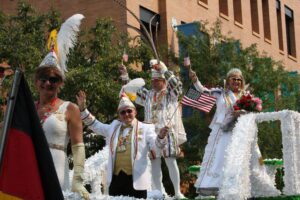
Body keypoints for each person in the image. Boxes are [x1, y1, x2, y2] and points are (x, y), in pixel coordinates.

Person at [189, 68, 278, 197]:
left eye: (239, 79)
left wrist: (242, 113)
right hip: (224, 133)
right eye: (233, 78)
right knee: (223, 161)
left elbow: (251, 114)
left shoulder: (247, 97)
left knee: (250, 162)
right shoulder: (220, 93)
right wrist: (195, 80)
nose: (236, 81)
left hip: (242, 134)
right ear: (228, 81)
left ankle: (250, 190)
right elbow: (203, 91)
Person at [35, 13, 89, 199]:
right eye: (43, 78)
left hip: (56, 171)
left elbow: (78, 147)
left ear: (60, 83)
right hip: (28, 169)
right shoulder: (26, 108)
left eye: (53, 79)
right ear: (36, 82)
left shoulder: (70, 108)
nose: (48, 83)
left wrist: (78, 181)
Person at [76, 91, 169, 199]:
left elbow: (156, 147)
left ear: (135, 112)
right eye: (123, 112)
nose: (126, 114)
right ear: (119, 116)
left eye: (129, 111)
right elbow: (95, 125)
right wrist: (83, 110)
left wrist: (161, 137)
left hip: (137, 181)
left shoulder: (146, 128)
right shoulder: (113, 127)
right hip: (116, 180)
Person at [119, 60, 187, 199]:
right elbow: (131, 89)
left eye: (157, 80)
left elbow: (178, 86)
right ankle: (158, 193)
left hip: (167, 131)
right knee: (155, 165)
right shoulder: (148, 94)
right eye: (153, 80)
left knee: (170, 161)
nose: (154, 83)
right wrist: (125, 75)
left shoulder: (170, 93)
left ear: (163, 81)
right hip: (151, 134)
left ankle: (177, 192)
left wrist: (164, 70)